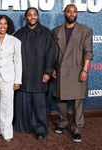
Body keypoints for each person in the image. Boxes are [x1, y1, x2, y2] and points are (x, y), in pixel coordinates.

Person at [52, 4, 93, 142]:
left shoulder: (85, 30)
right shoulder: (55, 31)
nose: (71, 13)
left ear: (77, 14)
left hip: (77, 71)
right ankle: (62, 123)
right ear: (64, 13)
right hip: (60, 71)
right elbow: (52, 53)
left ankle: (77, 129)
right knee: (61, 100)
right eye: (69, 11)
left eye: (74, 11)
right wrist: (52, 68)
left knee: (77, 102)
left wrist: (85, 70)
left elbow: (88, 52)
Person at [14, 7, 56, 140]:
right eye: (30, 15)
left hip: (39, 75)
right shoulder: (19, 34)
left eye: (35, 14)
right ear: (26, 17)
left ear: (37, 17)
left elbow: (51, 53)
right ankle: (24, 127)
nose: (32, 17)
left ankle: (40, 130)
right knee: (24, 103)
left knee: (39, 104)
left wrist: (48, 72)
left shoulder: (46, 33)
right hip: (23, 76)